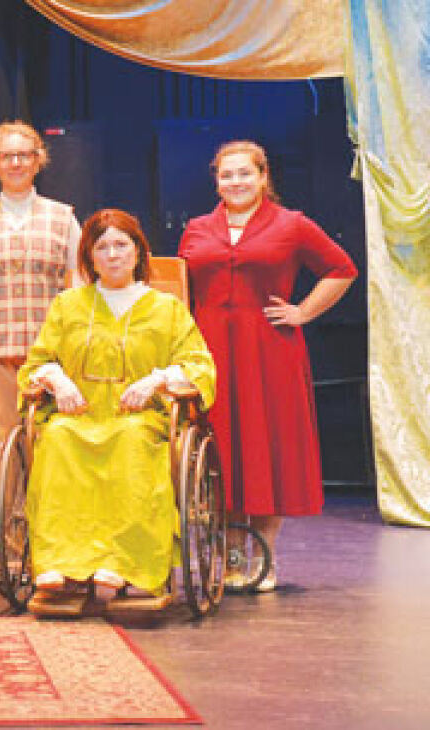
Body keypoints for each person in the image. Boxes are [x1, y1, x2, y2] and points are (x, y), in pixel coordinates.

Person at [179, 140, 357, 592]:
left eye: (244, 174)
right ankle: (233, 555)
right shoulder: (197, 228)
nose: (235, 182)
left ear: (263, 177)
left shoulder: (290, 225)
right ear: (216, 181)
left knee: (266, 447)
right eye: (226, 175)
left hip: (270, 352)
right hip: (211, 353)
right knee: (222, 450)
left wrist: (302, 312)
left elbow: (342, 269)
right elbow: (179, 289)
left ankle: (264, 558)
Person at [18, 209, 215, 597]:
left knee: (131, 440)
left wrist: (157, 379)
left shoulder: (166, 308)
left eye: (121, 245)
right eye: (101, 247)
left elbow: (199, 366)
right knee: (56, 436)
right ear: (89, 257)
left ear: (138, 252)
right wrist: (57, 380)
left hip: (139, 418)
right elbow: (36, 364)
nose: (112, 255)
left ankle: (123, 561)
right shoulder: (69, 305)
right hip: (79, 414)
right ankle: (60, 561)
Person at [0, 120, 81, 496]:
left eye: (23, 155)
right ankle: (8, 546)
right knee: (1, 447)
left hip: (52, 357)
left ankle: (51, 540)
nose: (15, 163)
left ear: (37, 160)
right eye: (6, 156)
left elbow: (77, 286)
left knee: (52, 447)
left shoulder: (62, 217)